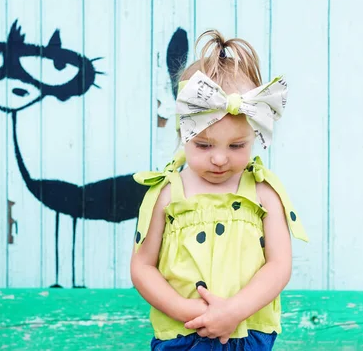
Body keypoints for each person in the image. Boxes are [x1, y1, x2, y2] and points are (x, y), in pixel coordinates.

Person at [130, 29, 308, 350]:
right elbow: (142, 267)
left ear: (255, 134)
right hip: (183, 334)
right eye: (203, 144)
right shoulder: (167, 194)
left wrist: (234, 311)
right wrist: (187, 310)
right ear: (184, 132)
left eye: (237, 145)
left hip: (247, 332)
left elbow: (279, 264)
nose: (220, 158)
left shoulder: (264, 194)